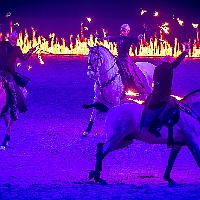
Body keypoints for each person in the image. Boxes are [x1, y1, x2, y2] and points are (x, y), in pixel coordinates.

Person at [140, 42, 190, 138]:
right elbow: (177, 62)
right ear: (169, 61)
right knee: (171, 105)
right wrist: (185, 51)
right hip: (162, 94)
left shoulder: (157, 67)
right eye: (171, 59)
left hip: (155, 93)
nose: (172, 60)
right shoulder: (167, 68)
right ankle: (157, 125)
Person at [103, 24, 148, 96]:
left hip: (125, 58)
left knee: (128, 71)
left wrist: (143, 32)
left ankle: (129, 86)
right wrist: (100, 37)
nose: (122, 31)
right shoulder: (118, 38)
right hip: (118, 58)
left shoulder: (129, 39)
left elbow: (138, 38)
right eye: (121, 30)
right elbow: (109, 38)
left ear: (127, 31)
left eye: (124, 30)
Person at [0, 30, 34, 121]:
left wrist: (29, 52)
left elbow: (23, 58)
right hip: (0, 70)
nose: (13, 41)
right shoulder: (3, 44)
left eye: (15, 39)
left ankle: (13, 111)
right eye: (12, 39)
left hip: (9, 72)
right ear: (9, 38)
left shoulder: (17, 49)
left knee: (12, 90)